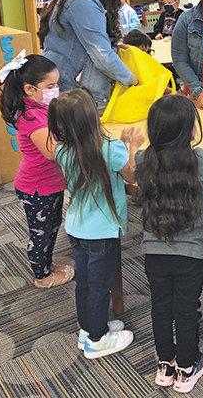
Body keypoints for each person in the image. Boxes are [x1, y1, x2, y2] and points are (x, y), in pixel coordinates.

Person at [48, 88, 145, 358]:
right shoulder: (109, 148)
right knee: (100, 287)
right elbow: (132, 176)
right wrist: (131, 145)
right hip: (101, 232)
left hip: (76, 228)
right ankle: (97, 339)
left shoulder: (63, 150)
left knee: (86, 283)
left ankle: (88, 327)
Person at [134, 95, 203, 393]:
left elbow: (135, 176)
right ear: (190, 131)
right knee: (186, 309)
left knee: (160, 307)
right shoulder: (200, 159)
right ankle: (187, 366)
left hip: (153, 251)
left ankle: (164, 365)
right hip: (191, 254)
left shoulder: (144, 160)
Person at [0, 53, 74, 289]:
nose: (56, 90)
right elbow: (52, 152)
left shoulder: (40, 106)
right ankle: (42, 277)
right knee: (41, 234)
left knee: (51, 228)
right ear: (30, 89)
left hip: (49, 183)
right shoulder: (32, 116)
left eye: (57, 84)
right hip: (38, 188)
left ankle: (46, 265)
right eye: (50, 86)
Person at [38, 0, 137, 107]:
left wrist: (114, 46)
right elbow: (101, 54)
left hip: (65, 79)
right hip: (72, 87)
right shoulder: (82, 1)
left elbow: (87, 40)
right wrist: (132, 80)